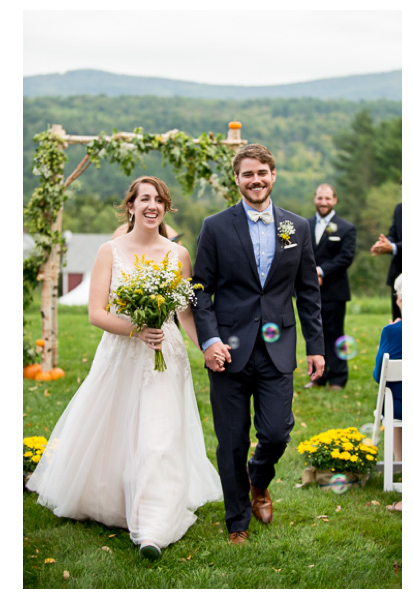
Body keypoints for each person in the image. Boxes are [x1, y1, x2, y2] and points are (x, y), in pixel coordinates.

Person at [26, 176, 222, 561]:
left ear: (165, 209)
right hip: (121, 353)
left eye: (159, 200)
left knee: (159, 437)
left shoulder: (178, 254)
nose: (152, 205)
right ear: (130, 206)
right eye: (144, 199)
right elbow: (96, 313)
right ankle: (114, 499)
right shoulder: (109, 251)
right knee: (117, 431)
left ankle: (152, 527)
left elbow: (184, 312)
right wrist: (137, 328)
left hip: (165, 357)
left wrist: (206, 348)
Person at [192, 144, 325, 546]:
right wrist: (209, 340)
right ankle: (237, 523)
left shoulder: (296, 227)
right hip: (228, 350)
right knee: (231, 440)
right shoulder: (215, 227)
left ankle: (259, 481)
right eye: (248, 174)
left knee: (276, 433)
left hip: (278, 346)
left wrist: (316, 346)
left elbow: (307, 291)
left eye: (262, 173)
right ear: (237, 179)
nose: (256, 180)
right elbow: (200, 290)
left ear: (273, 175)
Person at [305, 183, 356, 390]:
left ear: (334, 200)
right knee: (314, 334)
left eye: (327, 198)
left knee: (335, 334)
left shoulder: (346, 228)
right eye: (320, 198)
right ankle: (318, 377)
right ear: (315, 199)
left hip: (334, 291)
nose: (323, 202)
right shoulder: (304, 225)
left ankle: (338, 378)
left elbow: (345, 258)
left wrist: (320, 272)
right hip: (309, 291)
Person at [373, 274, 402, 512]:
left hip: (400, 406)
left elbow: (377, 375)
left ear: (400, 299)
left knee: (391, 409)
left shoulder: (392, 331)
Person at [371, 202, 402, 320]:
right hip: (399, 277)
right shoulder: (400, 208)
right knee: (398, 322)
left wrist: (394, 247)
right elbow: (393, 234)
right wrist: (385, 243)